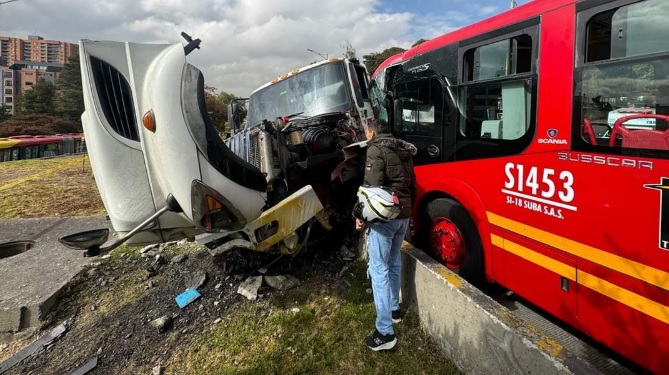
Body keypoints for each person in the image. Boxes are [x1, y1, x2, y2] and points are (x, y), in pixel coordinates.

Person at [355, 118, 416, 351]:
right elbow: (413, 186)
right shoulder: (404, 149)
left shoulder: (375, 149)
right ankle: (394, 309)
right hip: (404, 216)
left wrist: (359, 215)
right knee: (393, 262)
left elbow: (371, 188)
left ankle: (385, 333)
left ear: (371, 132)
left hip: (386, 217)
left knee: (379, 268)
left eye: (365, 133)